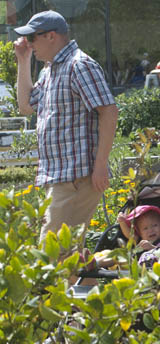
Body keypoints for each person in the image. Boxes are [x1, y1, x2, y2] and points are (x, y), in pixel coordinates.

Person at [14, 11, 118, 252]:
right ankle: (91, 288)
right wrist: (24, 60)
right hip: (60, 177)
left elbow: (109, 112)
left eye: (32, 39)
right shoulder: (49, 70)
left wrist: (100, 165)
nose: (28, 43)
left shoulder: (79, 65)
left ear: (51, 36)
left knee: (52, 254)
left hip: (76, 177)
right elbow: (26, 106)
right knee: (70, 252)